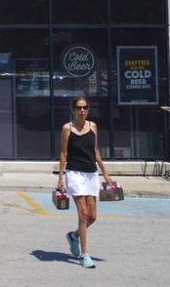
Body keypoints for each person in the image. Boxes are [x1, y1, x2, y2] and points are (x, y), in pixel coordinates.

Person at [57, 96, 112, 269]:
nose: (82, 111)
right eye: (79, 108)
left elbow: (96, 152)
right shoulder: (67, 128)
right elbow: (63, 153)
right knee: (82, 214)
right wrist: (61, 177)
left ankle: (73, 236)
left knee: (92, 216)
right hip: (74, 173)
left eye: (85, 107)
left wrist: (106, 175)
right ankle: (84, 254)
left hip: (91, 173)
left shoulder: (93, 126)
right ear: (73, 110)